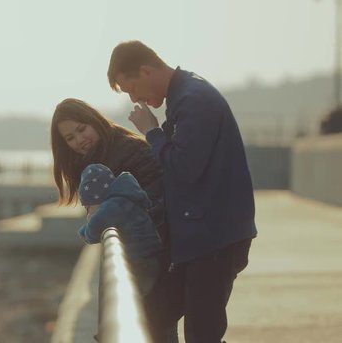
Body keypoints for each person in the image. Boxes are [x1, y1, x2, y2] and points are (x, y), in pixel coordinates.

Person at [107, 40, 258, 342]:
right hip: (199, 238)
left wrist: (152, 131)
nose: (134, 98)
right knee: (150, 315)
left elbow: (186, 168)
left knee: (201, 334)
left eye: (131, 88)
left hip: (213, 239)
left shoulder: (193, 100)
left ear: (146, 70)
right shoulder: (185, 95)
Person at [50, 99, 176, 342]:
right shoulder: (101, 153)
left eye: (81, 129)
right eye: (70, 138)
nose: (79, 140)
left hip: (155, 251)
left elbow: (155, 198)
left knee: (155, 326)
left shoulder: (126, 150)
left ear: (94, 121)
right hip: (145, 250)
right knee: (151, 324)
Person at [78, 163, 177, 343]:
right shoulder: (125, 200)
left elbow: (92, 233)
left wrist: (85, 227)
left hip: (141, 262)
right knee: (142, 302)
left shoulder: (112, 207)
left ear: (96, 197)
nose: (88, 211)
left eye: (87, 206)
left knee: (127, 300)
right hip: (151, 257)